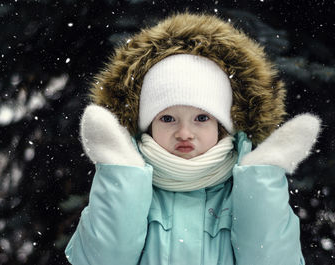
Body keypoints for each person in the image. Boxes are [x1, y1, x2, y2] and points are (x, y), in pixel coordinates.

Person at [65, 13, 321, 265]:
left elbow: (271, 259)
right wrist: (122, 175)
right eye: (167, 119)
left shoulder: (243, 187)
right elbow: (101, 259)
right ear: (147, 125)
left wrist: (262, 178)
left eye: (201, 118)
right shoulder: (126, 183)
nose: (184, 133)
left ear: (222, 126)